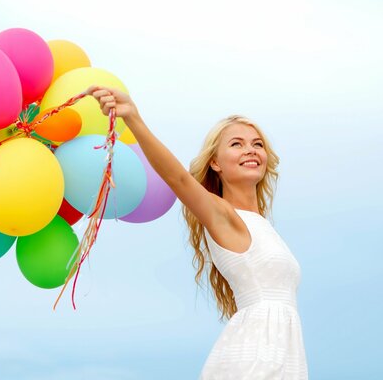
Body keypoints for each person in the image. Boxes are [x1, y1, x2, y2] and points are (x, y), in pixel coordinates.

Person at [88, 86, 308, 380]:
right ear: (215, 162)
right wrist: (134, 118)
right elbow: (177, 178)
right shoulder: (223, 215)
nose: (251, 150)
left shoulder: (262, 226)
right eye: (237, 144)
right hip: (255, 360)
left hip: (279, 358)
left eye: (257, 144)